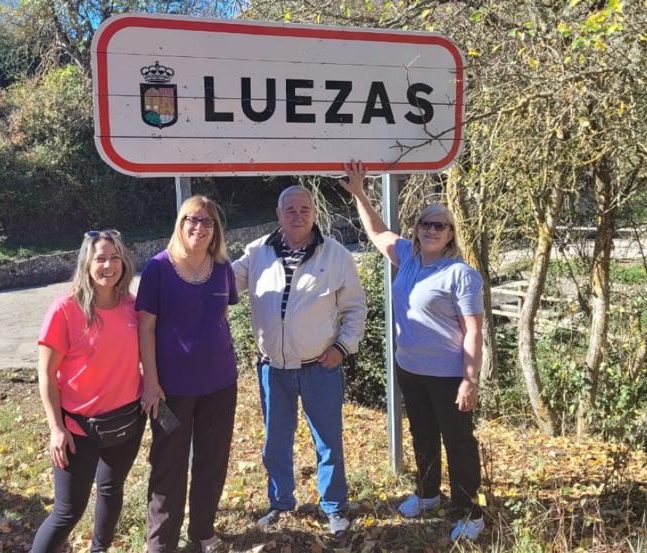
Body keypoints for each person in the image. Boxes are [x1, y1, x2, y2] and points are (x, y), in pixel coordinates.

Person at [340, 161, 486, 541]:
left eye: (440, 225)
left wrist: (470, 380)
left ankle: (469, 511)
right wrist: (359, 192)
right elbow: (376, 231)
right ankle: (428, 494)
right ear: (417, 230)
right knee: (422, 433)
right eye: (426, 224)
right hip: (411, 368)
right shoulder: (407, 256)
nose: (432, 229)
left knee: (458, 442)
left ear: (451, 234)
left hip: (449, 374)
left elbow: (473, 330)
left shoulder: (461, 274)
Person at [232, 185, 367, 538]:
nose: (297, 215)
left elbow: (355, 308)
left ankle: (335, 507)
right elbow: (225, 284)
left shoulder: (335, 254)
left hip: (320, 366)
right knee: (275, 441)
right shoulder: (257, 251)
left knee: (328, 441)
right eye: (289, 209)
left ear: (314, 212)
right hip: (272, 368)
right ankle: (279, 503)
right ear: (278, 214)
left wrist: (342, 347)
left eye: (304, 208)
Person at [32, 230, 145, 553]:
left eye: (114, 258)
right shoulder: (64, 309)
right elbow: (47, 374)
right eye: (100, 258)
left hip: (126, 421)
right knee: (67, 511)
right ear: (86, 263)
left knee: (111, 490)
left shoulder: (132, 308)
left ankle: (100, 549)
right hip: (77, 429)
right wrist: (56, 428)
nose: (108, 265)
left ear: (124, 262)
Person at [138, 196, 239, 553]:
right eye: (191, 220)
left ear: (216, 231)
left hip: (220, 385)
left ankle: (202, 530)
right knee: (169, 465)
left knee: (212, 461)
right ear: (180, 225)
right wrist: (151, 381)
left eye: (207, 222)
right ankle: (162, 542)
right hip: (172, 390)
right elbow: (145, 327)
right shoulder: (158, 268)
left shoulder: (222, 268)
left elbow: (220, 317)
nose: (199, 227)